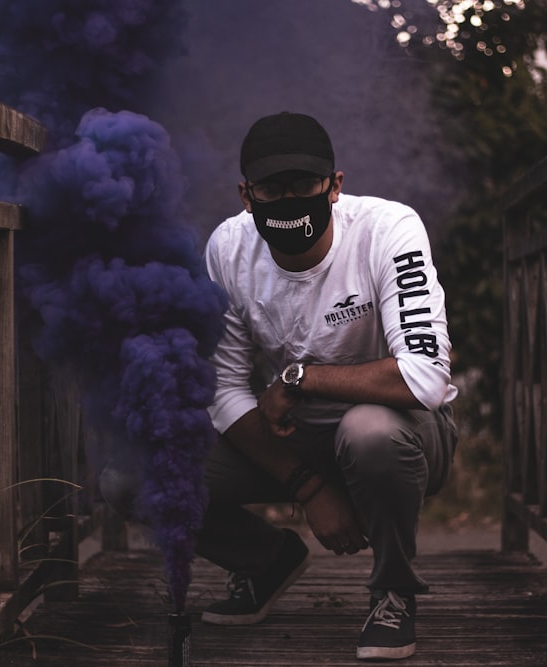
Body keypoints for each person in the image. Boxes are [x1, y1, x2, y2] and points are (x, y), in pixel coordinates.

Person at [194, 111, 459, 662]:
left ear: (334, 186)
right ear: (247, 194)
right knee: (139, 475)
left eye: (304, 185)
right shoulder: (228, 249)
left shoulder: (389, 230)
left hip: (399, 433)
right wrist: (310, 488)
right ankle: (265, 560)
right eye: (272, 188)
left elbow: (426, 377)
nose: (289, 199)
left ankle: (393, 591)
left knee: (369, 432)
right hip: (294, 439)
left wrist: (301, 377)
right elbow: (224, 389)